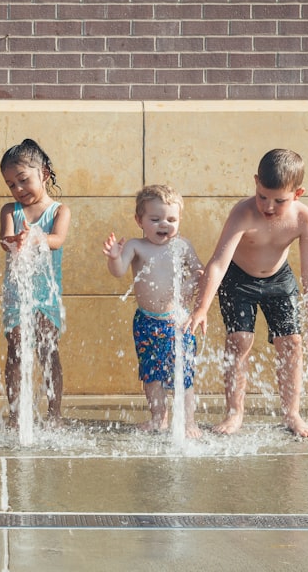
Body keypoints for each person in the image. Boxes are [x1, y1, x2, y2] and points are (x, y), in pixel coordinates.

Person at [186, 148, 308, 438]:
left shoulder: (304, 219)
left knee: (292, 341)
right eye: (263, 195)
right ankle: (235, 412)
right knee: (240, 339)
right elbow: (217, 263)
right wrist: (201, 308)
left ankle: (292, 414)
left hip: (279, 280)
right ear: (255, 182)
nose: (268, 206)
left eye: (280, 200)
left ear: (298, 193)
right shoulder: (243, 212)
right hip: (238, 280)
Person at [103, 185, 203, 438]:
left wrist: (191, 286)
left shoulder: (182, 245)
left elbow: (199, 272)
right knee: (151, 375)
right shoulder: (136, 246)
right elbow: (118, 271)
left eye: (171, 219)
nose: (164, 224)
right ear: (140, 220)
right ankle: (159, 418)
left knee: (184, 374)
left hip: (178, 322)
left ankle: (188, 422)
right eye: (155, 219)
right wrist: (114, 257)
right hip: (147, 321)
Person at [0, 139, 70, 427]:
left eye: (23, 180)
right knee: (15, 350)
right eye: (11, 184)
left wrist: (36, 237)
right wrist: (14, 240)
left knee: (47, 350)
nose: (17, 189)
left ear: (44, 174)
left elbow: (57, 240)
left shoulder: (59, 211)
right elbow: (5, 241)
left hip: (46, 294)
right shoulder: (9, 210)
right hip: (17, 293)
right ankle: (17, 415)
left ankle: (54, 414)